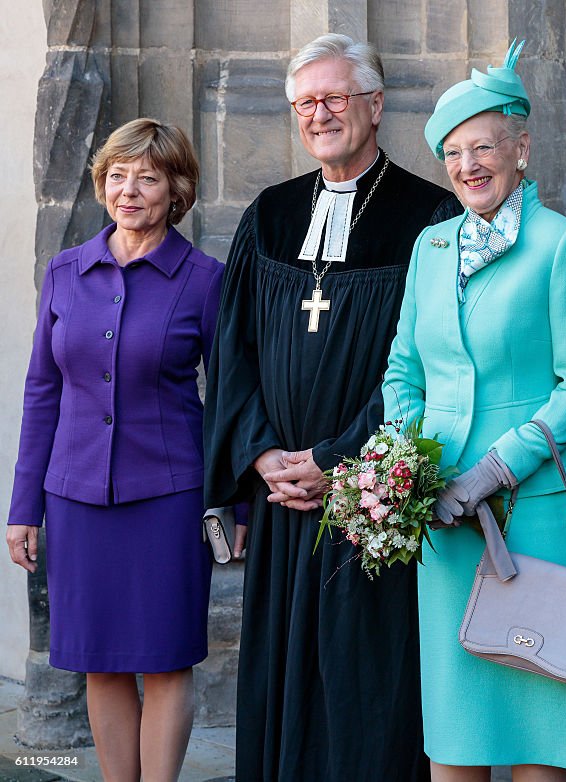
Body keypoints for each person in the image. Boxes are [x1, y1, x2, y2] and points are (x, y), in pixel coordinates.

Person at [202, 33, 458, 781]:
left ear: (375, 107)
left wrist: (334, 458)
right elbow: (233, 351)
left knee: (365, 680)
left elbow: (429, 362)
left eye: (335, 98)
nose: (321, 114)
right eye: (306, 103)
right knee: (286, 670)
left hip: (369, 493)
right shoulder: (272, 213)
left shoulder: (429, 217)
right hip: (283, 496)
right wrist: (260, 456)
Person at [382, 40, 566, 781]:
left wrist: (497, 467)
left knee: (542, 718)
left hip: (535, 508)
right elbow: (402, 370)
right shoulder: (429, 247)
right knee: (458, 722)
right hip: (442, 512)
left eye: (483, 146)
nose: (469, 165)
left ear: (521, 147)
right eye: (454, 152)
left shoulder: (560, 244)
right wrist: (402, 462)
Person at [5, 118, 219, 782]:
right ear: (102, 184)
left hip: (168, 496)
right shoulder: (65, 272)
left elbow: (235, 398)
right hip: (76, 497)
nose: (129, 191)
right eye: (117, 175)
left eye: (147, 177)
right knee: (99, 658)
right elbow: (43, 389)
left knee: (163, 659)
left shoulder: (205, 278)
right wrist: (24, 507)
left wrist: (227, 503)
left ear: (176, 190)